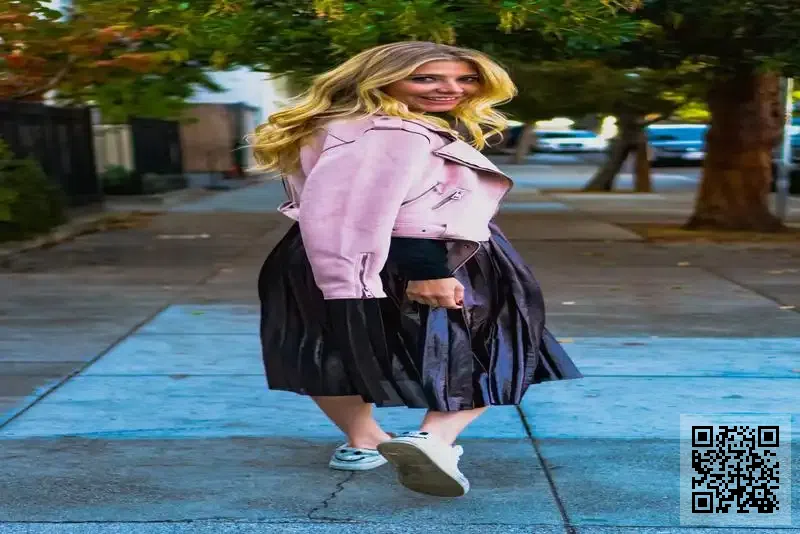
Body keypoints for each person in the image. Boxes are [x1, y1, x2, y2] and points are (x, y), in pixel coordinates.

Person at [253, 41, 582, 498]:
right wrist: (426, 269)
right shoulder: (392, 132)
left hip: (327, 251)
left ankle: (365, 442)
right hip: (417, 253)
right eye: (425, 78)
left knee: (330, 346)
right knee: (496, 344)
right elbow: (370, 208)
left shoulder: (341, 125)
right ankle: (434, 440)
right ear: (380, 79)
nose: (451, 89)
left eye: (465, 79)